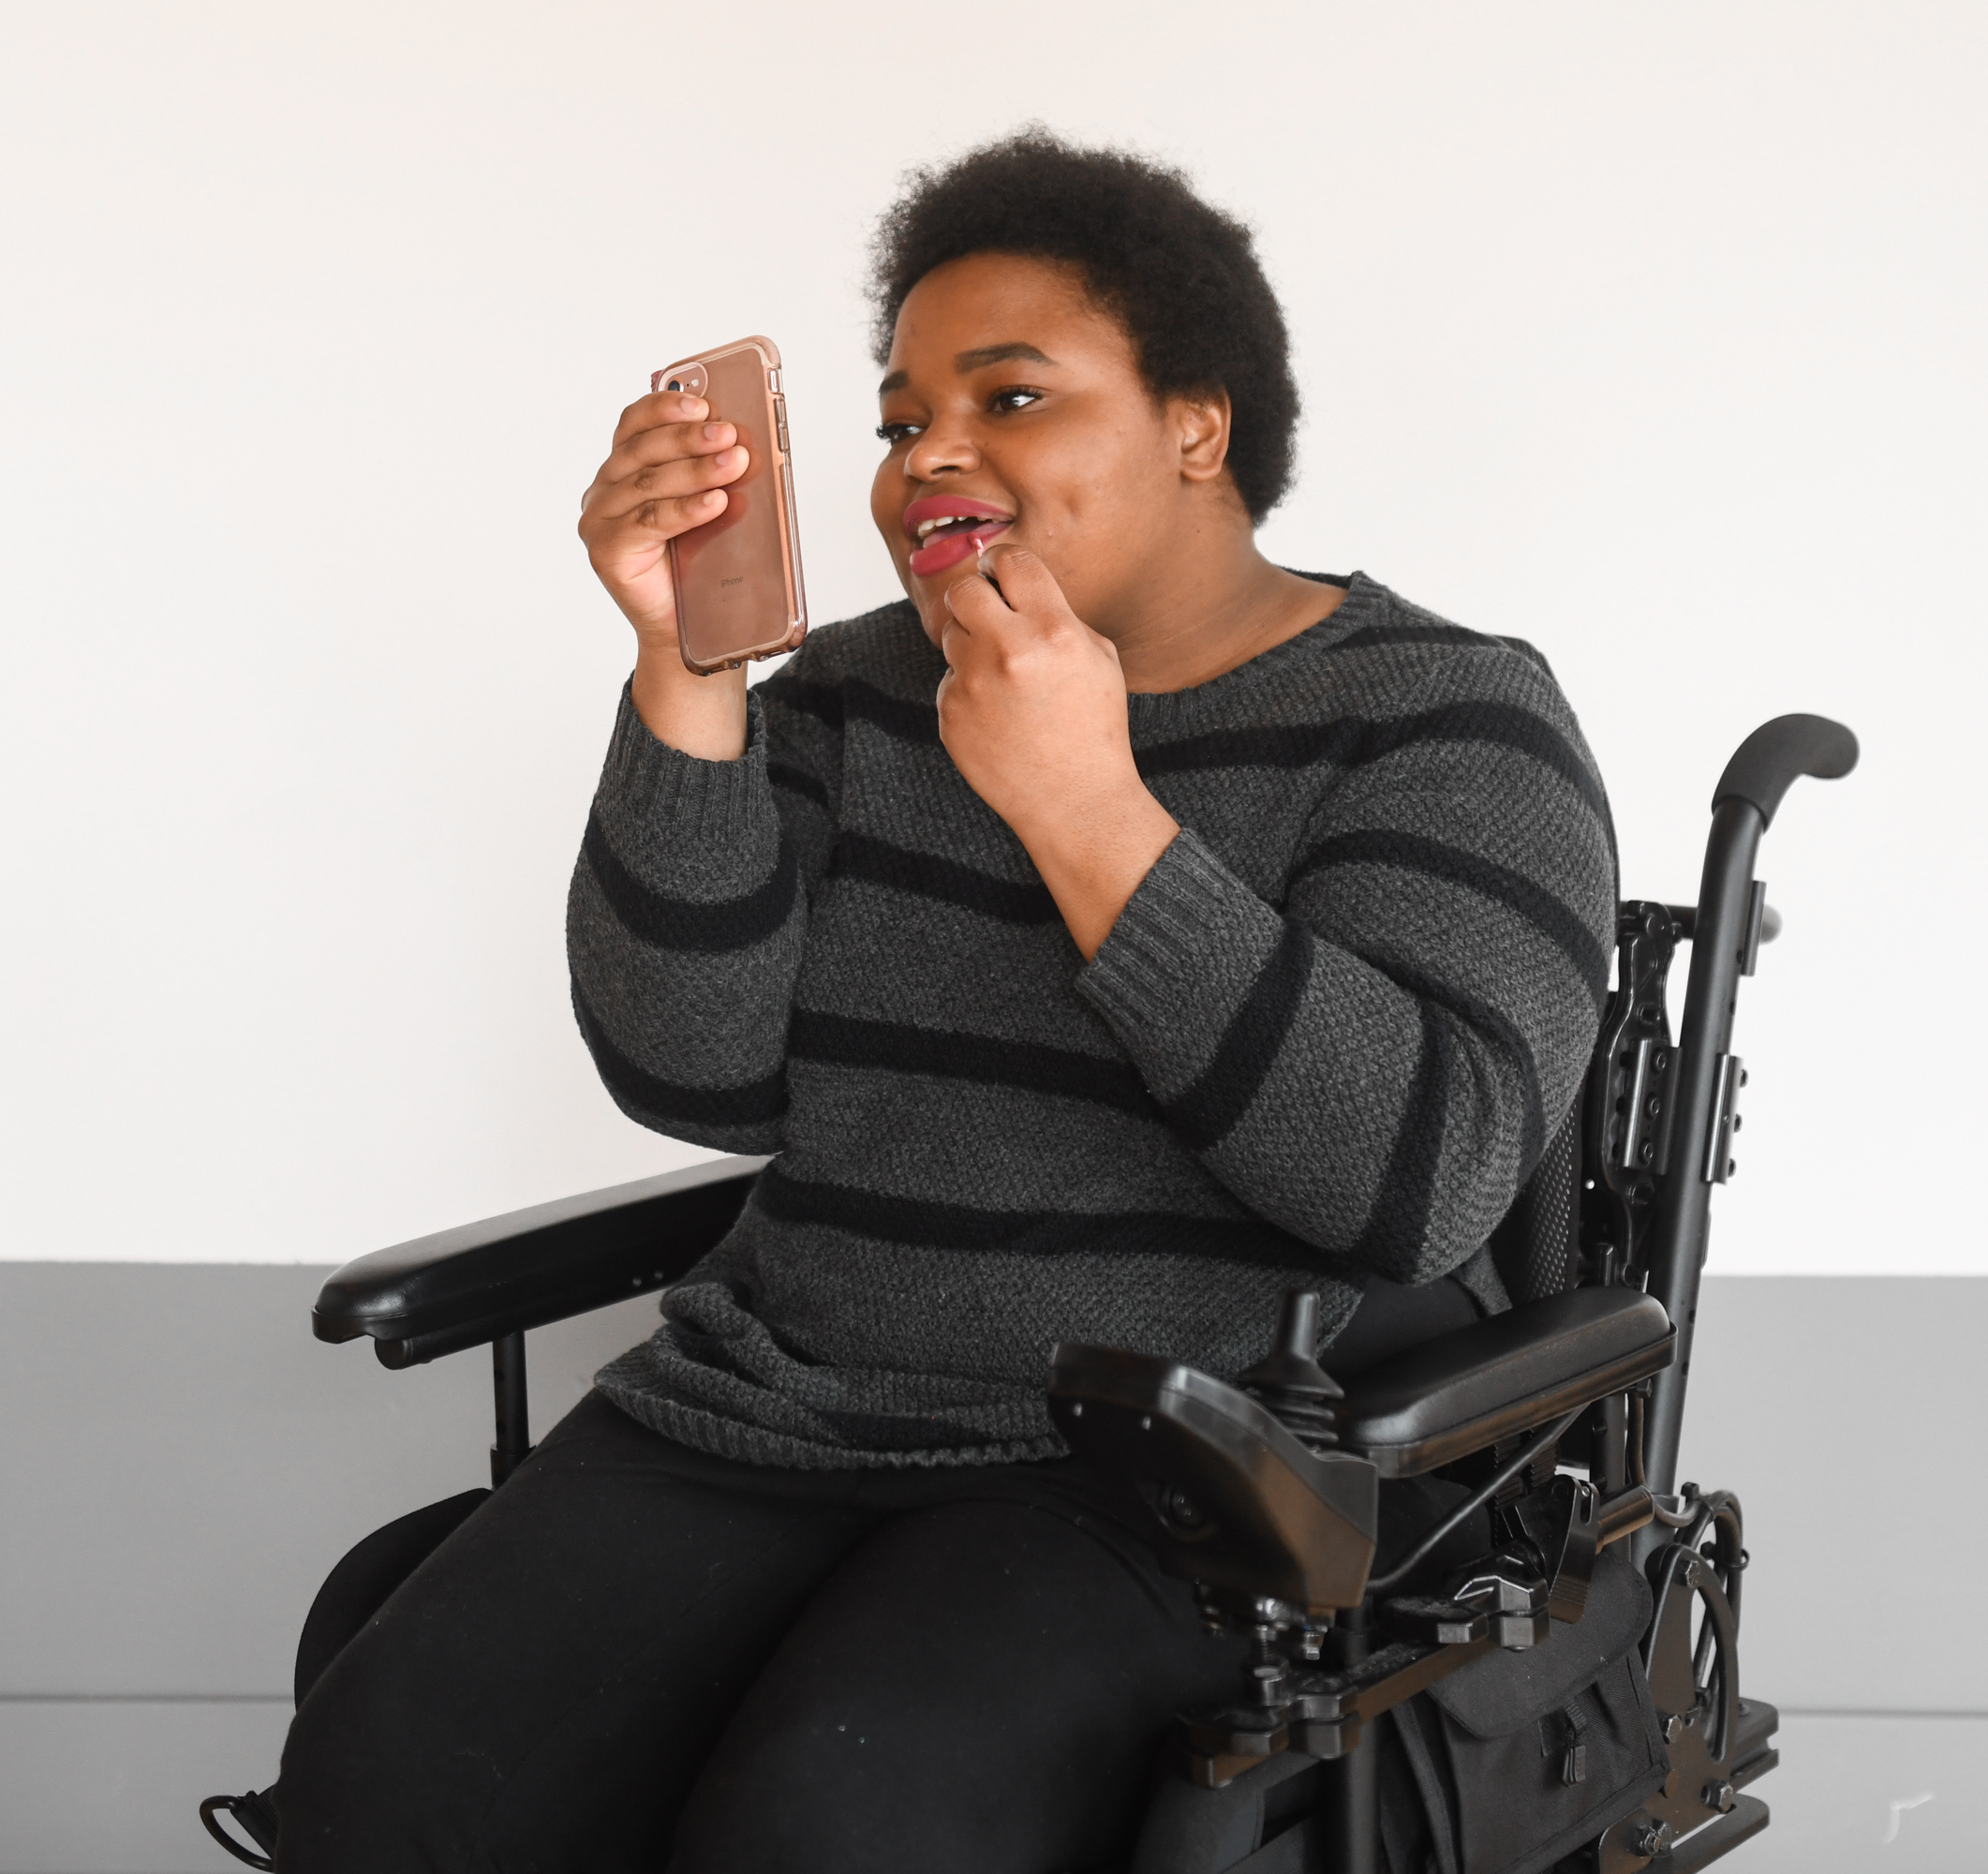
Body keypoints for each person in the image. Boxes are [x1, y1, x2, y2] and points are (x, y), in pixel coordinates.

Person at [273, 130, 1616, 1873]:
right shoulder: (857, 695)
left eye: (1012, 397)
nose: (930, 457)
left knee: (832, 1827)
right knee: (389, 1788)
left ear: (1196, 426)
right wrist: (687, 675)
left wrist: (1089, 811)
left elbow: (1414, 1181)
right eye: (903, 420)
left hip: (1173, 1473)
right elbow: (693, 1070)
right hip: (772, 1409)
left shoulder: (1445, 721)